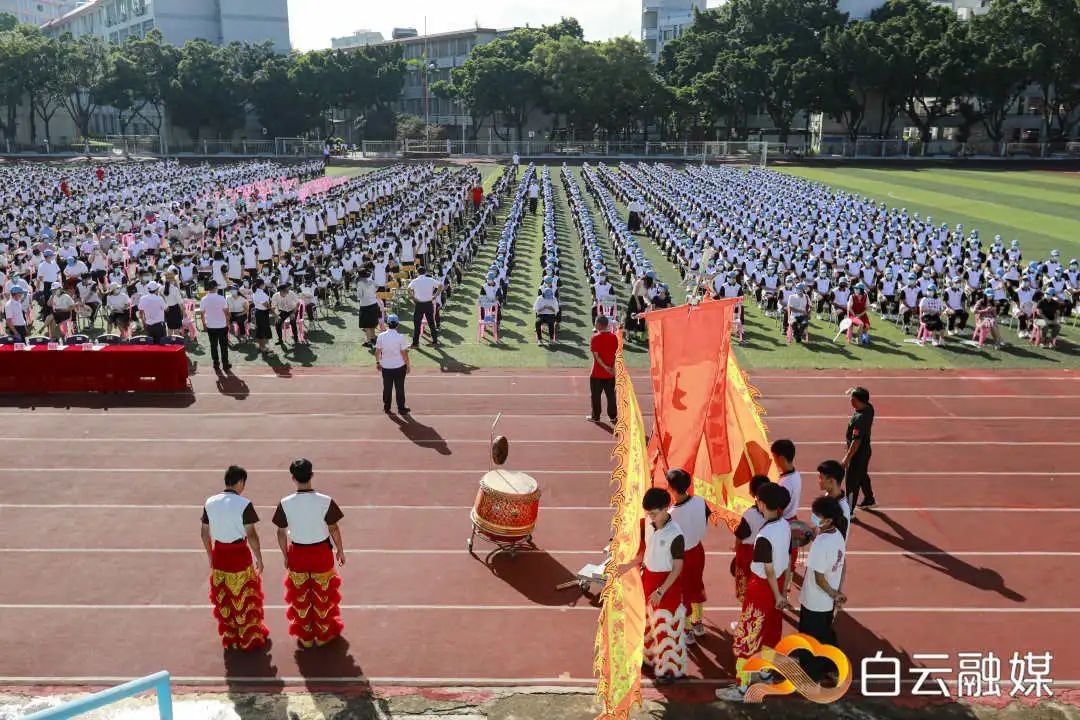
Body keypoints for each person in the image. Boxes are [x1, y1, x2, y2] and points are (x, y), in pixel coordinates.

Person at [719, 482, 792, 700]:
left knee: (746, 637)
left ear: (761, 503)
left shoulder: (764, 536)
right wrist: (783, 592)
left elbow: (767, 569)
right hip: (777, 584)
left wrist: (778, 594)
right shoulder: (785, 526)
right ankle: (766, 672)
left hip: (762, 588)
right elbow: (788, 560)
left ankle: (742, 687)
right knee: (770, 632)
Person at [273, 458, 346, 649]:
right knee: (323, 595)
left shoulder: (285, 503)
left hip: (297, 552)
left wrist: (285, 555)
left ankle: (306, 637)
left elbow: (280, 533)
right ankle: (322, 636)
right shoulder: (325, 501)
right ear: (312, 475)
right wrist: (340, 550)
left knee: (300, 596)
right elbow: (334, 528)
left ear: (293, 478)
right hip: (321, 552)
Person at [618, 487, 687, 685]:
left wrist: (661, 591)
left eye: (654, 514)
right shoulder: (648, 524)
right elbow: (644, 552)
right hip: (648, 578)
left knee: (666, 626)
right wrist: (628, 566)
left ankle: (669, 669)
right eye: (648, 513)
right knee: (647, 622)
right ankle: (650, 658)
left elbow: (677, 568)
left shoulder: (676, 535)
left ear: (667, 508)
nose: (650, 517)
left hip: (666, 585)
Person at [200, 465, 270, 650]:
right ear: (240, 482)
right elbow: (252, 535)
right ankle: (247, 637)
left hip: (220, 555)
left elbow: (204, 533)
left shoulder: (210, 502)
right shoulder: (244, 504)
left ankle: (231, 636)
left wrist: (210, 556)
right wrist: (259, 558)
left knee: (225, 597)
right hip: (239, 555)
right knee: (245, 597)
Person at [796, 496, 847, 683]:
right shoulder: (837, 535)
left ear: (828, 520)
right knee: (825, 634)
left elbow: (818, 578)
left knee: (810, 640)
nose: (814, 517)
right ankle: (832, 667)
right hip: (826, 602)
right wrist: (835, 594)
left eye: (817, 515)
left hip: (815, 600)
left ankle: (811, 677)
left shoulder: (821, 544)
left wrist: (835, 593)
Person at [666, 468, 709, 644]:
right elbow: (706, 515)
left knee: (683, 593)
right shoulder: (699, 501)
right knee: (697, 585)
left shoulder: (671, 515)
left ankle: (687, 630)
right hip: (698, 550)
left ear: (671, 488)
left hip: (681, 557)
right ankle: (698, 623)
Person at [731, 475, 770, 607]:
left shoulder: (749, 514)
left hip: (747, 555)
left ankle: (746, 618)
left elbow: (740, 537)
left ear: (752, 493)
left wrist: (736, 551)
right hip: (766, 554)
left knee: (745, 590)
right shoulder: (774, 513)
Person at [843, 386, 876, 512]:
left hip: (858, 454)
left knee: (851, 483)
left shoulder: (860, 419)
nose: (850, 400)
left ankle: (849, 512)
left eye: (852, 398)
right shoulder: (868, 408)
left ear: (858, 400)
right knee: (861, 475)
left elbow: (856, 442)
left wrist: (847, 458)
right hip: (865, 451)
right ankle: (869, 499)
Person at [771, 439, 802, 575]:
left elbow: (778, 509)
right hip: (793, 519)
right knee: (792, 553)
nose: (774, 461)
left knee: (784, 558)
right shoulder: (796, 475)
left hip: (785, 523)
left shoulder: (784, 484)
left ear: (781, 458)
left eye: (774, 457)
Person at [375, 313, 410, 415]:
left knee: (387, 387)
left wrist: (378, 362)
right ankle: (401, 408)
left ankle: (387, 407)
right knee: (399, 388)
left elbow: (377, 352)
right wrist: (408, 366)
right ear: (397, 324)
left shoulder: (381, 336)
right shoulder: (400, 337)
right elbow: (404, 354)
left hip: (386, 367)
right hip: (399, 367)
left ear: (387, 323)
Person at [587, 315, 618, 424]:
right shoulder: (614, 337)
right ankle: (613, 417)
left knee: (595, 396)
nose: (595, 324)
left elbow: (596, 356)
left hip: (597, 374)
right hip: (610, 374)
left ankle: (596, 417)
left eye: (595, 322)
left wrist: (605, 367)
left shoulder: (595, 338)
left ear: (599, 325)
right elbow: (615, 354)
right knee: (611, 396)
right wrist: (611, 368)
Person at [200, 281, 231, 372]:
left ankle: (216, 363)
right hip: (222, 326)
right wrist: (228, 322)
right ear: (215, 288)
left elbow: (202, 314)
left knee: (213, 345)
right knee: (223, 346)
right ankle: (225, 364)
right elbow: (226, 312)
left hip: (211, 326)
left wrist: (204, 324)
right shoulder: (221, 298)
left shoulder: (204, 299)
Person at [816, 460, 851, 537]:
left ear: (831, 481)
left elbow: (839, 539)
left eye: (821, 478)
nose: (818, 481)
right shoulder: (828, 495)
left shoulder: (842, 509)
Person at [407, 266, 439, 347]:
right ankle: (434, 341)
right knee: (431, 323)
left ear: (417, 272)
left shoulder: (415, 281)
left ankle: (415, 343)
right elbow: (441, 286)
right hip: (428, 303)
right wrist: (434, 296)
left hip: (419, 304)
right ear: (425, 272)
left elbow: (408, 289)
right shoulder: (430, 280)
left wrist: (414, 298)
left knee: (417, 324)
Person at [356, 267, 380, 348]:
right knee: (372, 324)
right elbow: (377, 288)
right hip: (373, 304)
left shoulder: (360, 283)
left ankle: (369, 341)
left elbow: (359, 296)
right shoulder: (371, 281)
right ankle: (373, 338)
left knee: (366, 325)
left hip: (365, 306)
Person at [251, 278, 272, 354]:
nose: (265, 285)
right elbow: (266, 305)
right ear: (261, 285)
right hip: (262, 313)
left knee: (260, 330)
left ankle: (261, 346)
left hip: (259, 312)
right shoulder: (260, 293)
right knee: (261, 331)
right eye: (263, 284)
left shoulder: (256, 292)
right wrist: (273, 311)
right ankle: (262, 347)